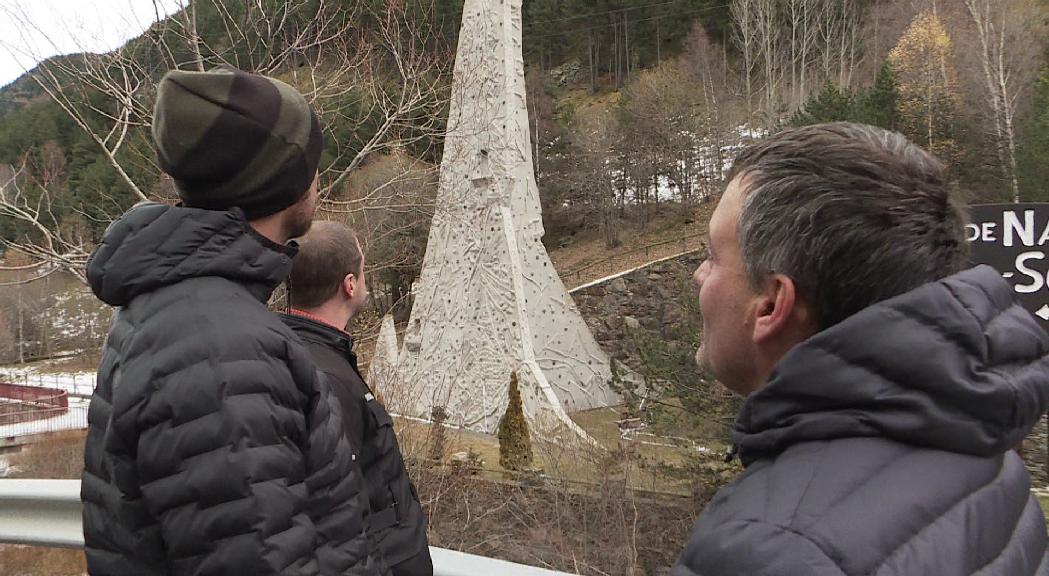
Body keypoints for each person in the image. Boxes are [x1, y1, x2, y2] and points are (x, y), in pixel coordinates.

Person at [673, 122, 1049, 576]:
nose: (699, 274)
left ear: (773, 303)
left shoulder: (771, 549)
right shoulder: (983, 456)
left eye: (713, 255)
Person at [82, 67, 383, 576]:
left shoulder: (189, 308)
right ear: (279, 180)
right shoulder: (222, 351)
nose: (317, 179)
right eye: (310, 164)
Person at [281, 222, 432, 576]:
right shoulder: (327, 375)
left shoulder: (301, 352)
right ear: (349, 285)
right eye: (363, 271)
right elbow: (338, 514)